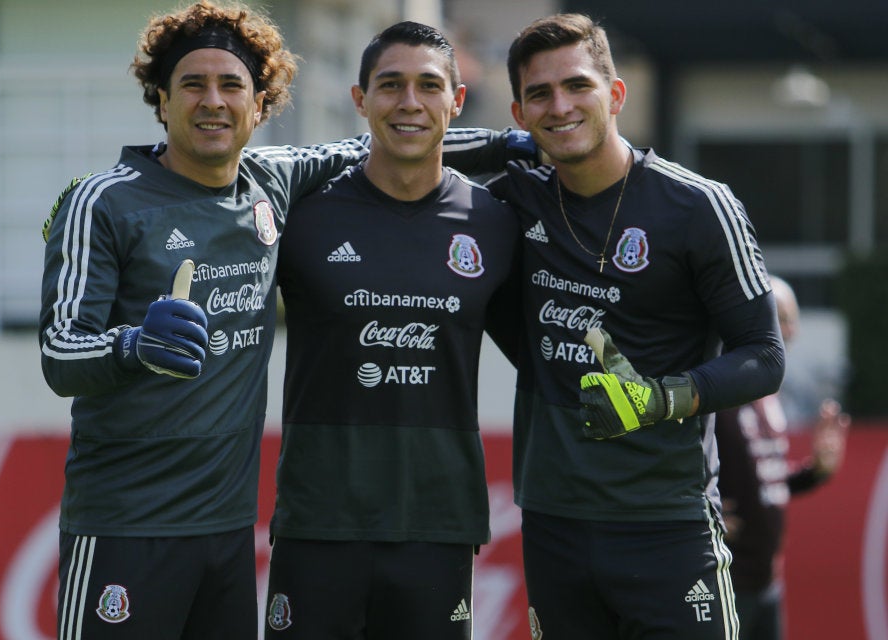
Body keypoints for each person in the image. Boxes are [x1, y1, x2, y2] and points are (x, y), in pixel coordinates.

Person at [37, 2, 375, 638]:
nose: (212, 100)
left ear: (260, 104)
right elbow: (61, 355)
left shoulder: (269, 182)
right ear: (161, 102)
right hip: (124, 529)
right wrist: (134, 344)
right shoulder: (102, 202)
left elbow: (385, 139)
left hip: (226, 534)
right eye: (193, 84)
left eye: (231, 85)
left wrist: (516, 143)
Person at [476, 13, 786, 639]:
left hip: (666, 524)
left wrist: (662, 397)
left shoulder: (699, 205)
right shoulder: (513, 201)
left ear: (615, 94)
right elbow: (408, 147)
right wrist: (497, 148)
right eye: (540, 94)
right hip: (553, 524)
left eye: (577, 86)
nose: (560, 106)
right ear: (519, 114)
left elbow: (764, 356)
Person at [263, 21, 520, 639]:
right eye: (391, 85)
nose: (410, 102)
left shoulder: (496, 222)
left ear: (457, 102)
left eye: (430, 86)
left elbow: (549, 352)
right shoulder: (302, 215)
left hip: (437, 525)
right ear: (360, 100)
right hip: (318, 523)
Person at [715, 276, 850, 640]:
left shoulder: (767, 396)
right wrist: (702, 509)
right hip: (725, 579)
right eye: (782, 317)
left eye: (793, 318)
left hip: (767, 581)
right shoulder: (720, 389)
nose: (790, 329)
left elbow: (766, 483)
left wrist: (815, 472)